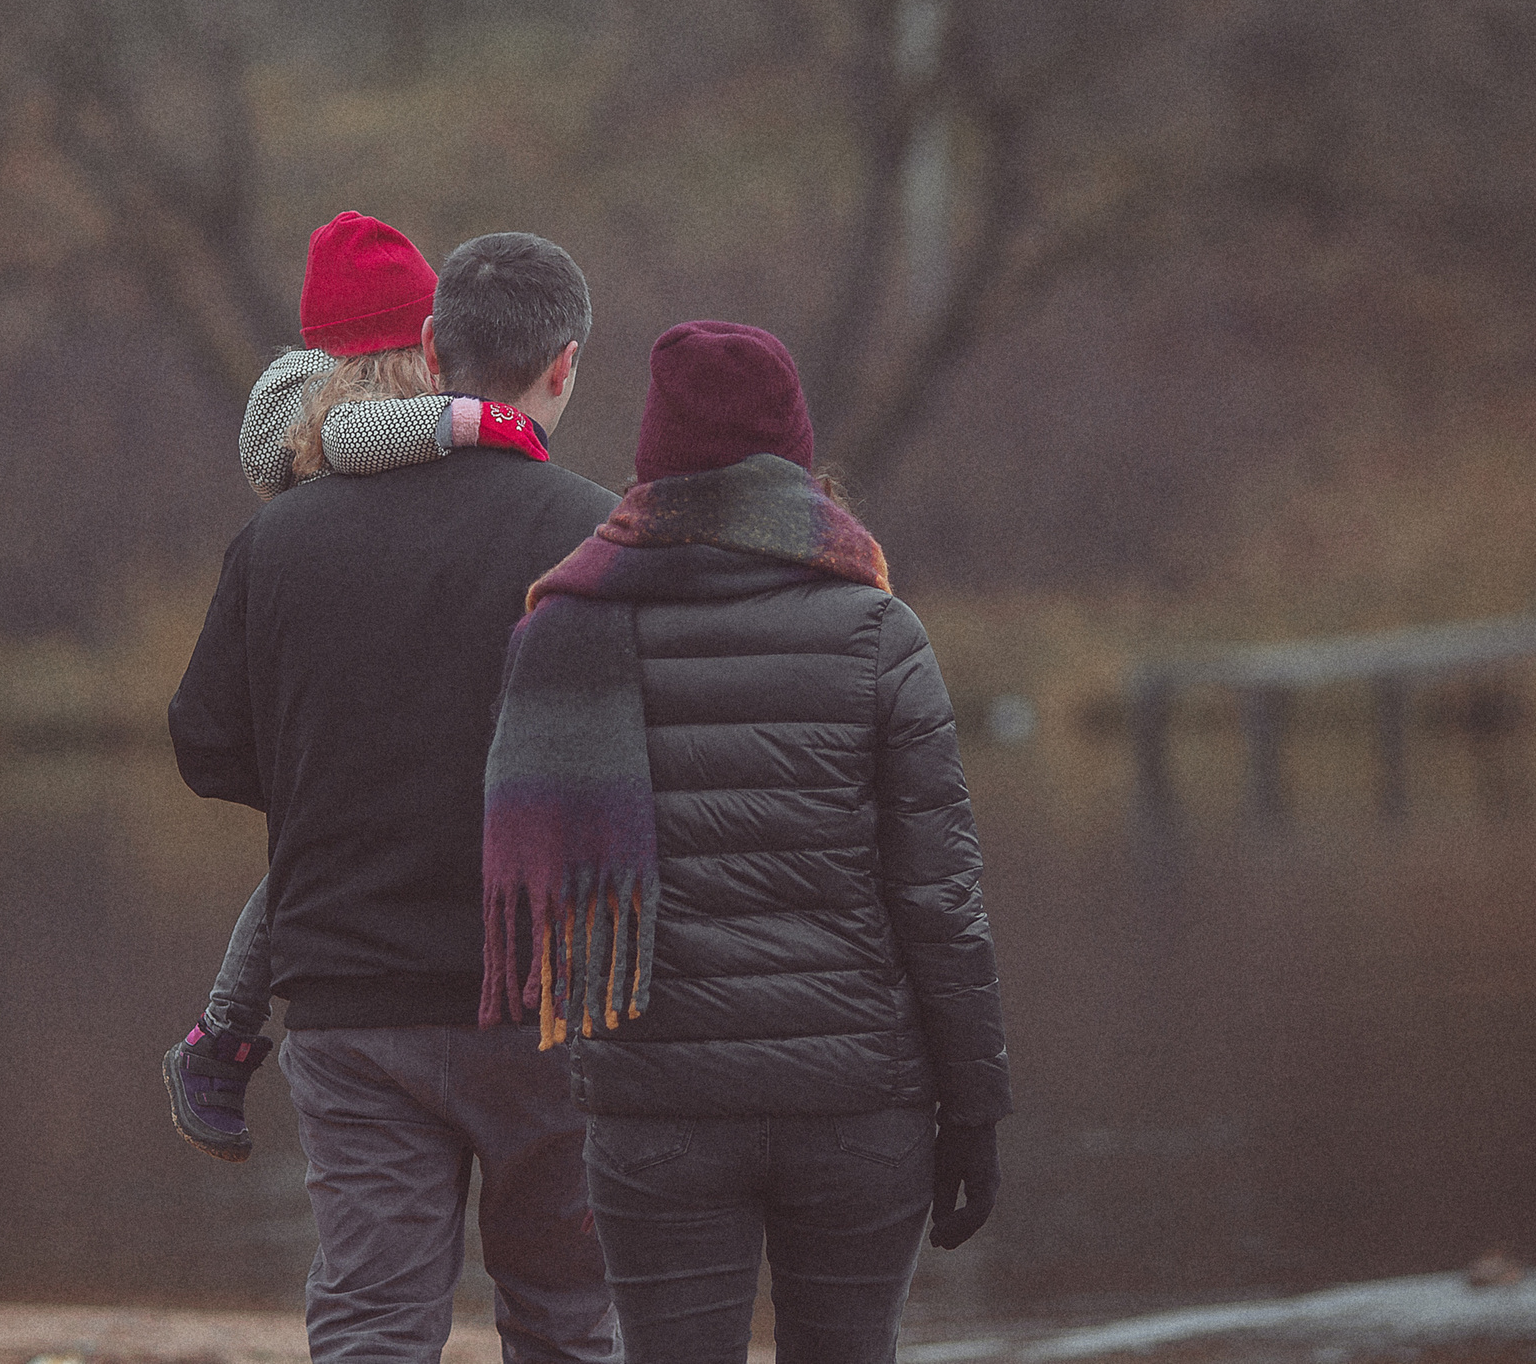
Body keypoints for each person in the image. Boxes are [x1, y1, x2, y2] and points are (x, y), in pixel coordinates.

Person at [480, 320, 1010, 1364]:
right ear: (794, 454)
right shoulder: (874, 632)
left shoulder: (564, 628)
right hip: (859, 1100)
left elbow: (534, 894)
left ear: (652, 460)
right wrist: (975, 1110)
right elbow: (940, 902)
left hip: (656, 1108)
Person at [169, 231, 621, 1364]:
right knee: (569, 1321)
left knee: (372, 1322)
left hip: (349, 996)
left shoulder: (276, 540)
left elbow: (205, 748)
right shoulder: (589, 534)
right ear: (562, 366)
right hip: (548, 997)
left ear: (432, 345)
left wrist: (335, 775)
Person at [164, 210, 549, 1164]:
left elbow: (203, 738)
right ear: (423, 342)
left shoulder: (307, 422)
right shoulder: (347, 419)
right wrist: (484, 419)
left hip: (351, 963)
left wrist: (317, 780)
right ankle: (218, 1033)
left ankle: (220, 1037)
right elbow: (374, 430)